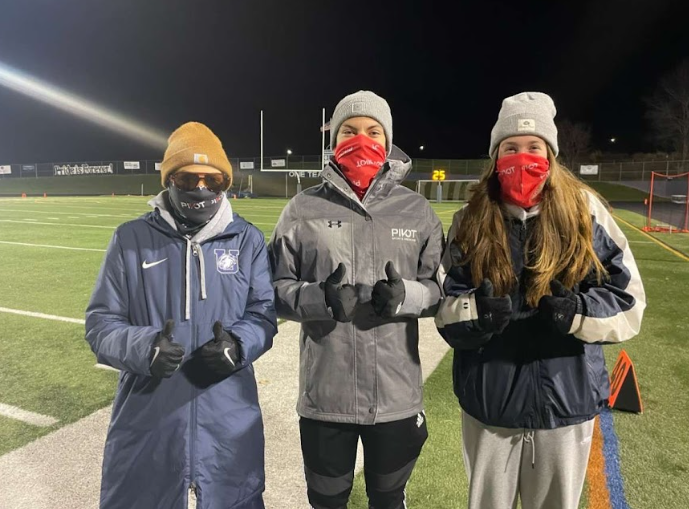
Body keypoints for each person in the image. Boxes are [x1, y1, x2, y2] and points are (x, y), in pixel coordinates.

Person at [435, 91, 646, 509]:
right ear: (496, 156)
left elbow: (629, 303)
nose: (522, 156)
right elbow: (443, 308)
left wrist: (578, 314)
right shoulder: (469, 219)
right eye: (510, 148)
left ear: (551, 153)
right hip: (489, 408)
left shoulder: (585, 212)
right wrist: (477, 313)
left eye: (534, 147)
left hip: (565, 407)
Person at [85, 122, 277, 509]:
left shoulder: (248, 240)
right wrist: (144, 348)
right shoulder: (130, 239)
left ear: (225, 183)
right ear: (169, 178)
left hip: (229, 419)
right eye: (189, 177)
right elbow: (100, 323)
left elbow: (264, 313)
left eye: (213, 180)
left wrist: (237, 344)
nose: (201, 188)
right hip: (148, 420)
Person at [268, 90, 444, 509]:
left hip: (397, 396)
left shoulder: (417, 211)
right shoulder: (301, 208)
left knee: (388, 499)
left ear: (387, 142)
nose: (360, 138)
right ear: (334, 141)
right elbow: (272, 288)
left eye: (372, 130)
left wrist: (408, 296)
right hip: (327, 396)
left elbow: (441, 289)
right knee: (327, 502)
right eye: (349, 130)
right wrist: (318, 299)